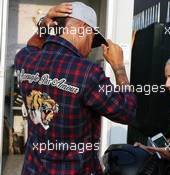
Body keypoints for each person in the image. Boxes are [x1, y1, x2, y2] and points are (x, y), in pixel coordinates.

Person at [15, 2, 136, 175]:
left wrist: (44, 24)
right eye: (91, 39)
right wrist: (119, 67)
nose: (89, 49)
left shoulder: (25, 59)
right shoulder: (87, 72)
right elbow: (127, 111)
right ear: (80, 30)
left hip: (33, 169)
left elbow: (32, 45)